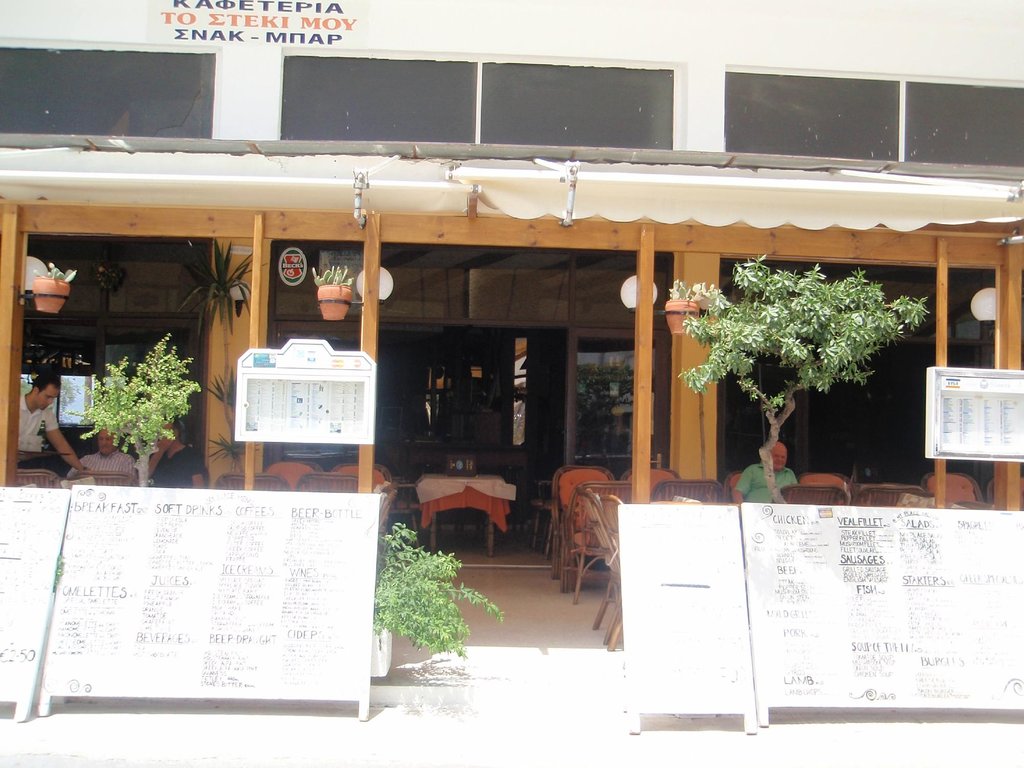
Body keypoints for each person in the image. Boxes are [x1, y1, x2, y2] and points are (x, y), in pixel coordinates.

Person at [19, 372, 85, 475]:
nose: (50, 402)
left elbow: (61, 445)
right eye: (47, 397)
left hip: (31, 466)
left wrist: (82, 470)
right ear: (36, 390)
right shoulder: (11, 407)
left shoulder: (48, 414)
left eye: (53, 398)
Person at [732, 441, 797, 503]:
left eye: (783, 457)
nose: (780, 459)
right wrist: (743, 509)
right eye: (776, 456)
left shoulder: (789, 474)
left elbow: (797, 495)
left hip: (782, 510)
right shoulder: (752, 470)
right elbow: (737, 493)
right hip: (756, 509)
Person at [148, 421, 207, 489]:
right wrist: (160, 451)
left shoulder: (192, 455)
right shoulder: (156, 456)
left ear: (176, 433)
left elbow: (198, 485)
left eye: (165, 432)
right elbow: (144, 477)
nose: (161, 437)